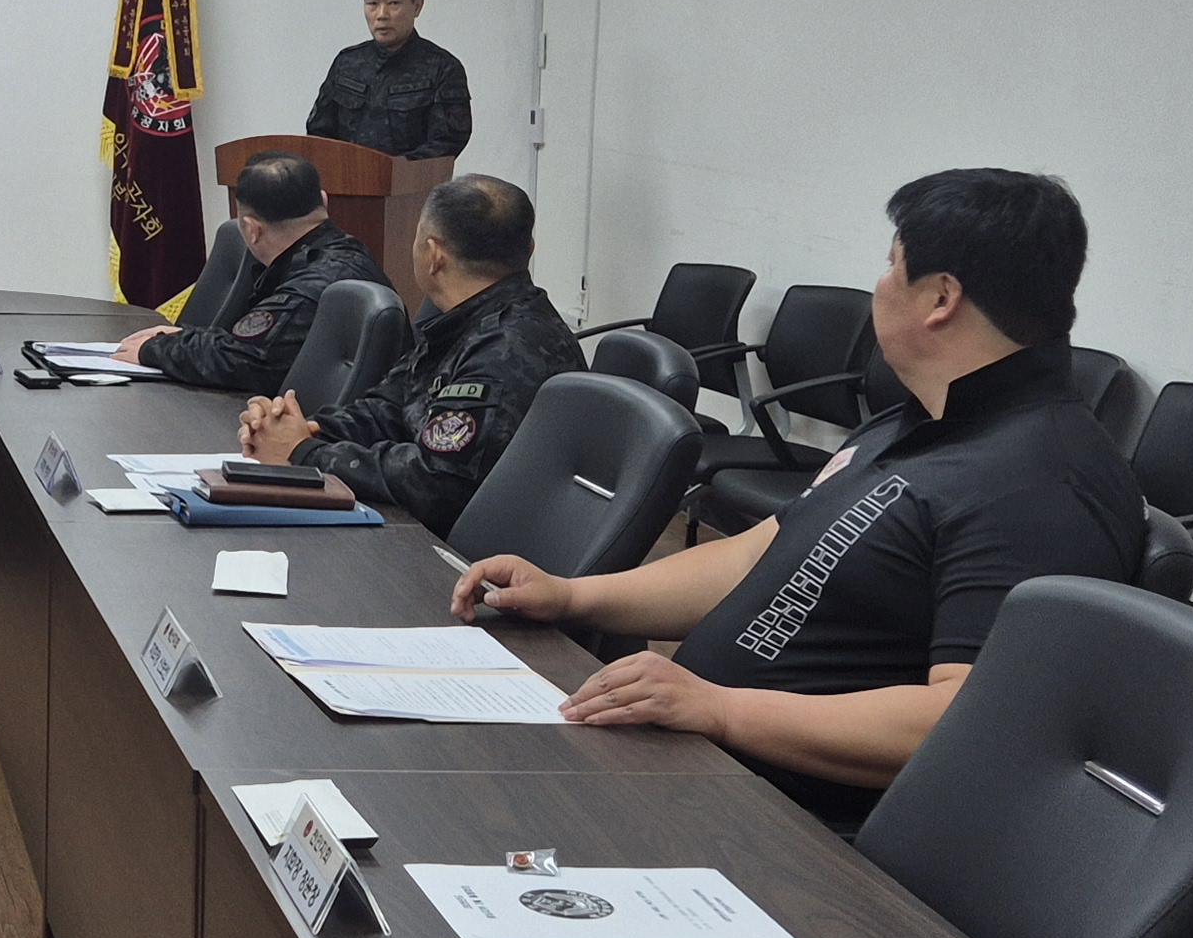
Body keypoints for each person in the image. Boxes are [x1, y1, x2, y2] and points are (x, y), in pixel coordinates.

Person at [450, 169, 1145, 828]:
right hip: (691, 766)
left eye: (891, 265)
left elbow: (967, 721)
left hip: (786, 829)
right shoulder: (921, 419)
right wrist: (572, 596)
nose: (879, 285)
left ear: (941, 299)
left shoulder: (1037, 485)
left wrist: (721, 709)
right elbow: (759, 554)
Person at [234, 174, 578, 535]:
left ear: (434, 256)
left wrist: (306, 452)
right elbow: (392, 408)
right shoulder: (463, 318)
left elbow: (433, 483)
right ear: (529, 249)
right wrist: (301, 429)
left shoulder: (504, 350)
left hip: (463, 553)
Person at [113, 151, 380, 394]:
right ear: (323, 201)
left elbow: (241, 359)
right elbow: (245, 342)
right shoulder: (341, 253)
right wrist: (182, 338)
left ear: (252, 230)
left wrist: (154, 349)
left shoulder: (309, 287)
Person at [306, 0, 472, 165]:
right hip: (347, 179)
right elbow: (319, 132)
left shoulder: (443, 69)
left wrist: (390, 169)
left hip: (412, 183)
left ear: (417, 6)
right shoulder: (347, 63)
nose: (381, 14)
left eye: (393, 3)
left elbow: (446, 143)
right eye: (372, 3)